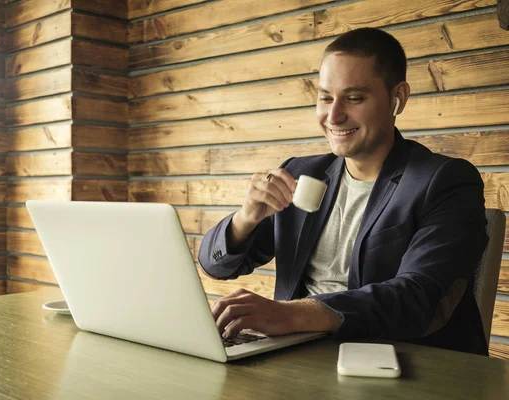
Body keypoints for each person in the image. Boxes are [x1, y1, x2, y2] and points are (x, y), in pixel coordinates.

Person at [198, 27, 489, 355]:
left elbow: (417, 298)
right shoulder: (301, 174)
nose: (333, 116)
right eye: (325, 97)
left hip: (401, 363)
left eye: (354, 98)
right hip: (299, 356)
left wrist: (290, 313)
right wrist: (244, 219)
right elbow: (216, 266)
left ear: (399, 98)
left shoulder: (445, 181)